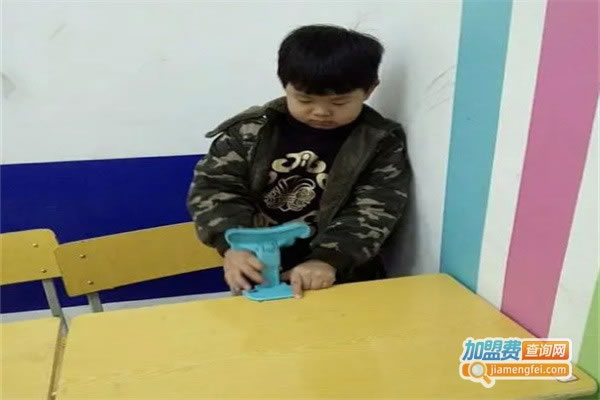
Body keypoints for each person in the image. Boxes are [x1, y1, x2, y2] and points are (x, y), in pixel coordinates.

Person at [187, 24, 410, 298]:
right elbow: (215, 188)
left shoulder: (378, 142)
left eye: (339, 103)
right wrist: (235, 244)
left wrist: (327, 260)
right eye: (304, 100)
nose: (321, 112)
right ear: (285, 85)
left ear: (370, 89)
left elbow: (375, 209)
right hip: (256, 267)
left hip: (342, 275)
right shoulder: (250, 132)